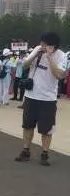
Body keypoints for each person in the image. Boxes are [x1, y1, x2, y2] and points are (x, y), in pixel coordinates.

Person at [15, 32, 68, 166]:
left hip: (48, 99)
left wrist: (49, 57)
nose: (42, 45)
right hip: (31, 96)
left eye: (45, 44)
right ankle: (26, 150)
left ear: (53, 46)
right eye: (41, 43)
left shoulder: (62, 56)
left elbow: (59, 75)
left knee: (47, 129)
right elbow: (24, 66)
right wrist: (34, 56)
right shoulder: (37, 49)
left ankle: (45, 153)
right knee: (27, 125)